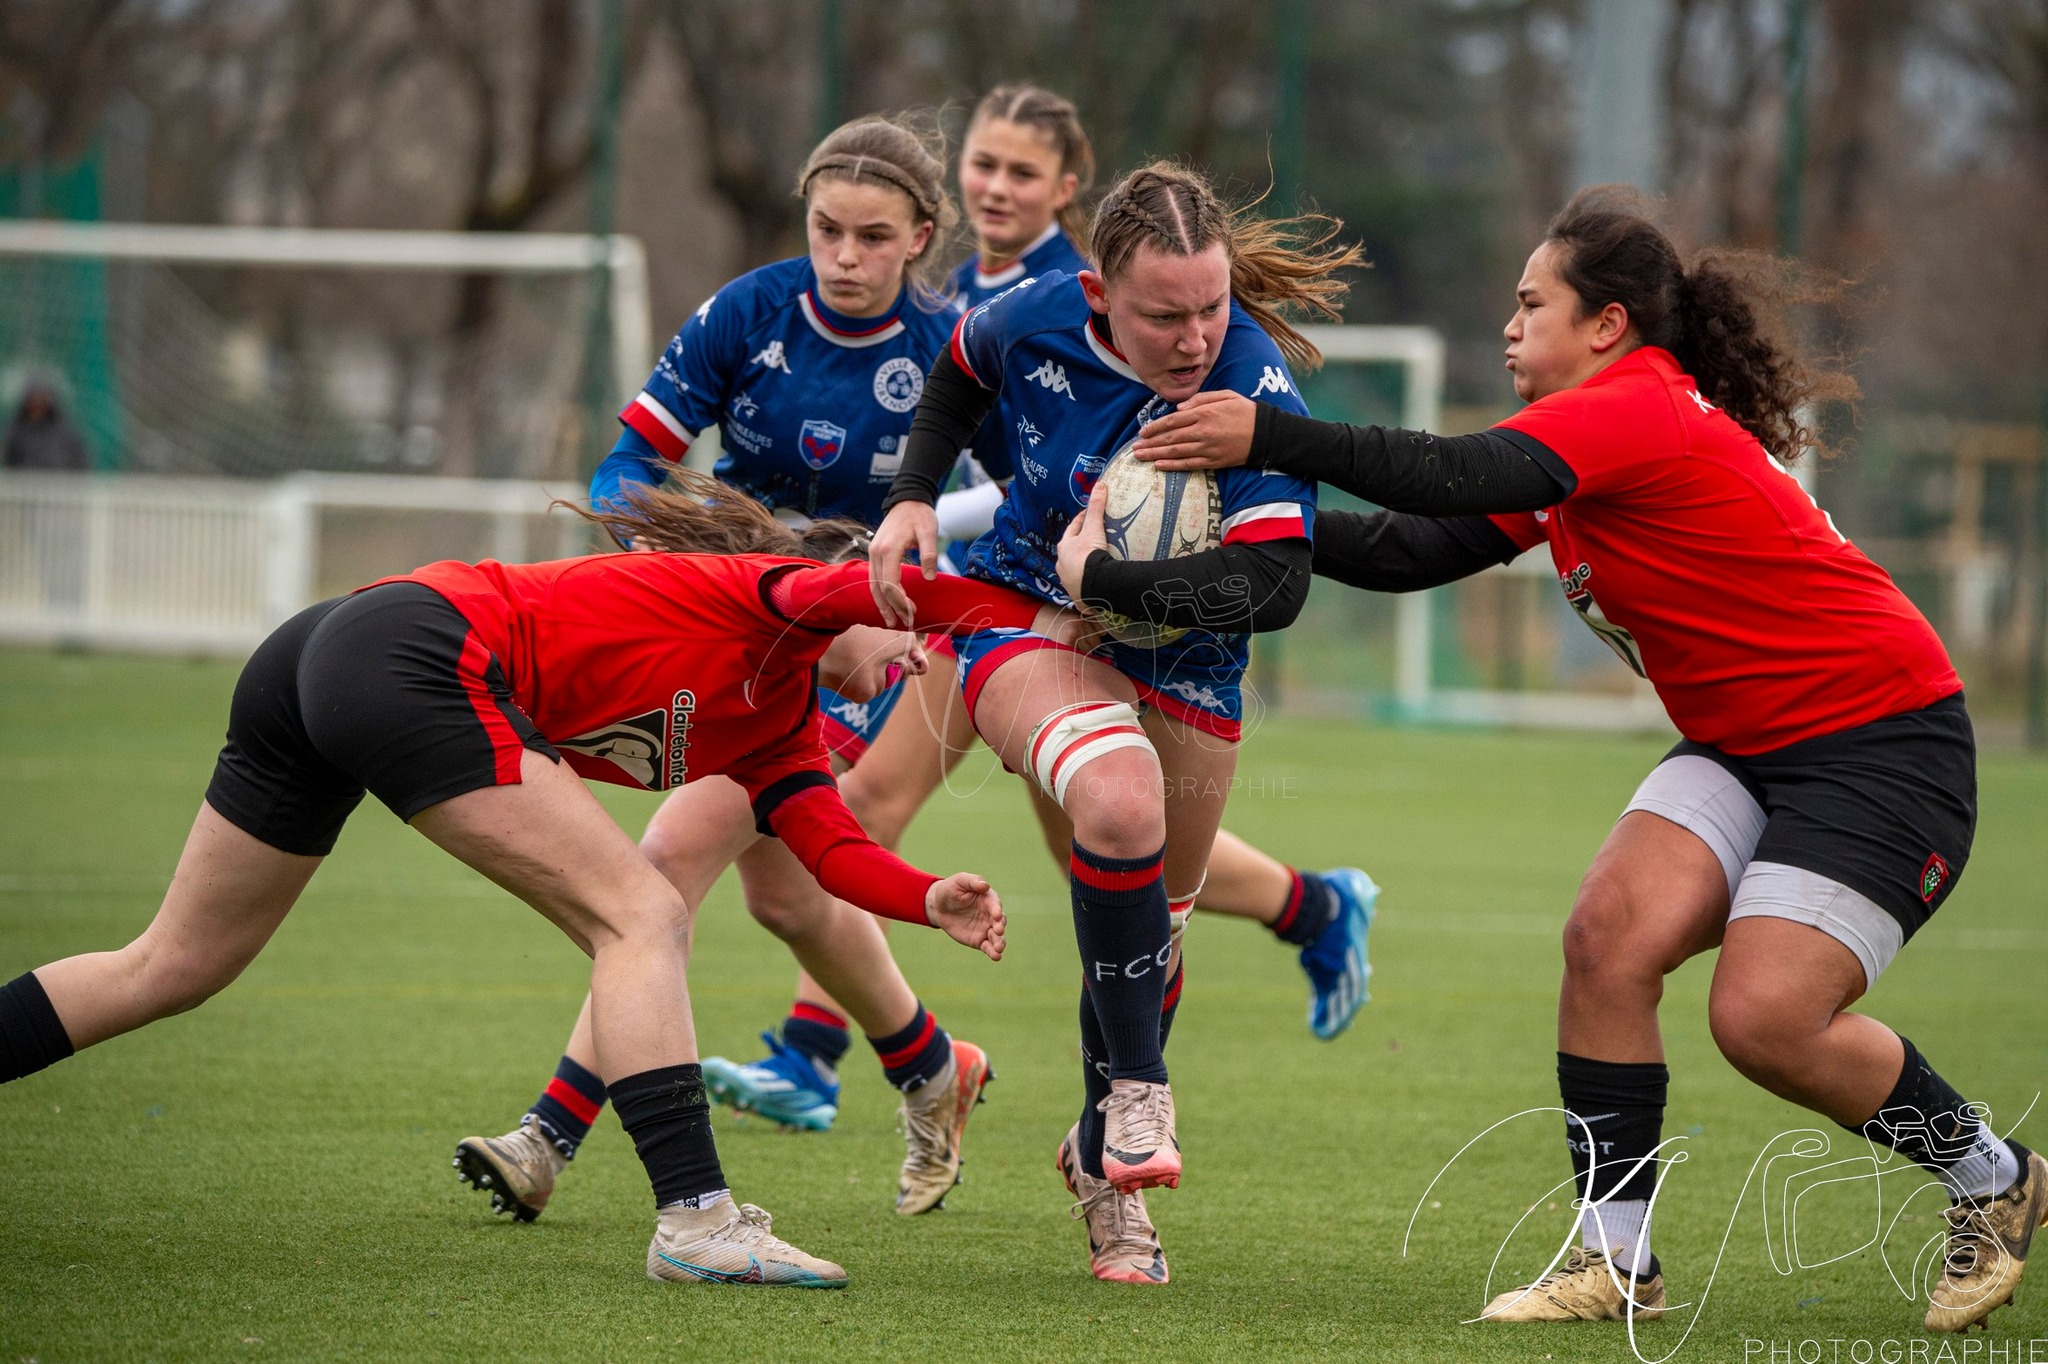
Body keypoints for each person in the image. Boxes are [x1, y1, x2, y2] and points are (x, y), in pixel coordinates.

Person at [1130, 184, 2044, 1333]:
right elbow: (1413, 545)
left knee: (1761, 1018)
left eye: (1530, 303)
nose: (1508, 327)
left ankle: (1994, 1178)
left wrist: (1265, 435)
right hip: (1747, 746)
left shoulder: (1635, 408)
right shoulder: (1585, 444)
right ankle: (1618, 1263)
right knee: (1604, 942)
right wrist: (1237, 522)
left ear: (1605, 325)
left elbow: (1440, 473)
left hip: (1883, 746)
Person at [0, 470, 1070, 1290]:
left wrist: (923, 894)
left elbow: (831, 852)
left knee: (175, 962)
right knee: (641, 910)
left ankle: (685, 1213)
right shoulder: (772, 597)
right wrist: (1057, 617)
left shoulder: (783, 730)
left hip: (342, 650)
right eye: (908, 634)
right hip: (406, 646)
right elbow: (902, 586)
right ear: (866, 598)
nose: (917, 657)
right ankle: (697, 1221)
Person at [455, 113, 1003, 1223]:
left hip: (852, 646)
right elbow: (628, 460)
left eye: (870, 236)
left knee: (666, 858)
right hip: (733, 626)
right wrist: (647, 536)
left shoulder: (955, 350)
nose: (843, 257)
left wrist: (904, 588)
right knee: (791, 896)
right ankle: (933, 1065)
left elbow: (1007, 508)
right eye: (824, 231)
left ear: (919, 235)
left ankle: (548, 1134)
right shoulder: (747, 313)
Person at [870, 161, 1366, 1284]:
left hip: (1187, 654)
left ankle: (1100, 1157)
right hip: (1023, 610)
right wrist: (911, 492)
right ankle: (1138, 1102)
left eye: (1211, 305)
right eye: (1162, 313)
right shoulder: (1033, 316)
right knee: (1116, 793)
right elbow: (954, 377)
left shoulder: (1247, 382)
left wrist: (1114, 580)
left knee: (1158, 934)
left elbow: (1275, 587)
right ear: (1097, 292)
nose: (1194, 336)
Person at [3, 377, 90, 472]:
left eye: (40, 399)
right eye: (33, 400)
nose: (37, 404)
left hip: (60, 483)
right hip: (24, 483)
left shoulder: (65, 432)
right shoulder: (16, 431)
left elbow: (80, 461)